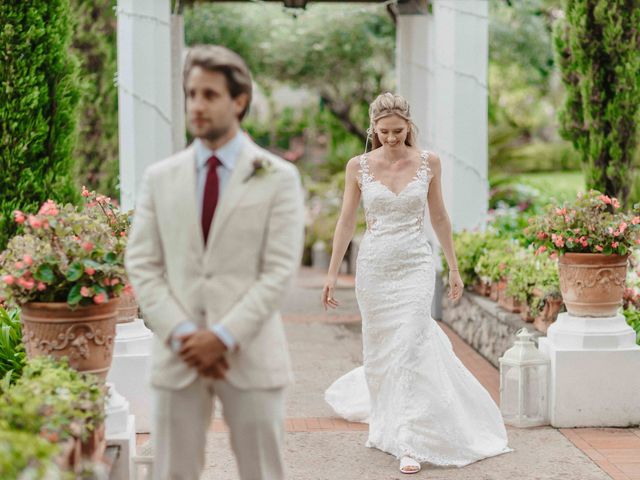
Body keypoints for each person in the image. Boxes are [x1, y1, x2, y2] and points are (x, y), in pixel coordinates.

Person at [125, 45, 305, 480]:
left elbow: (279, 271)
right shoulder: (160, 177)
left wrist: (223, 336)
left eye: (209, 95)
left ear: (238, 100)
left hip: (252, 353)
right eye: (191, 94)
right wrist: (186, 334)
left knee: (263, 473)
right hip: (178, 354)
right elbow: (143, 263)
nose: (197, 106)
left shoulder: (279, 177)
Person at [321, 93, 511, 475]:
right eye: (383, 131)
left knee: (409, 345)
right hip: (374, 269)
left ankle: (407, 440)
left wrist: (453, 267)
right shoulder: (357, 166)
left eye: (397, 130)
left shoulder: (429, 163)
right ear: (373, 128)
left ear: (408, 126)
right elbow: (345, 221)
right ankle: (386, 417)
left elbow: (439, 216)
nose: (391, 138)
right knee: (380, 354)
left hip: (415, 265)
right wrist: (331, 273)